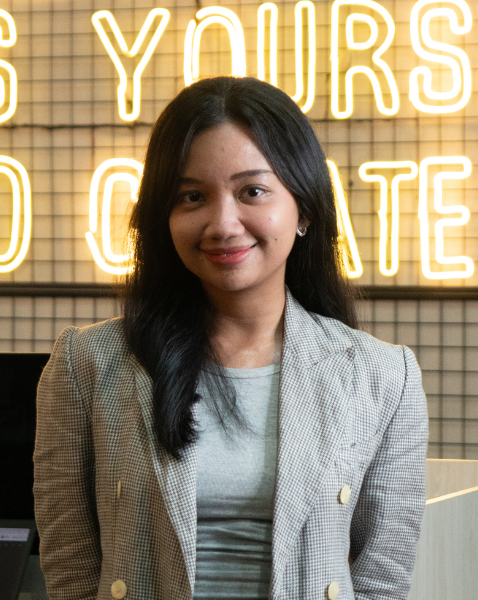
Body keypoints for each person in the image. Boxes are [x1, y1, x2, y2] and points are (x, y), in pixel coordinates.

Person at [33, 76, 428, 600]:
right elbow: (70, 567)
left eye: (252, 192)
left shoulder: (384, 377)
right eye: (192, 196)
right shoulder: (87, 364)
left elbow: (382, 577)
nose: (222, 223)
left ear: (304, 208)